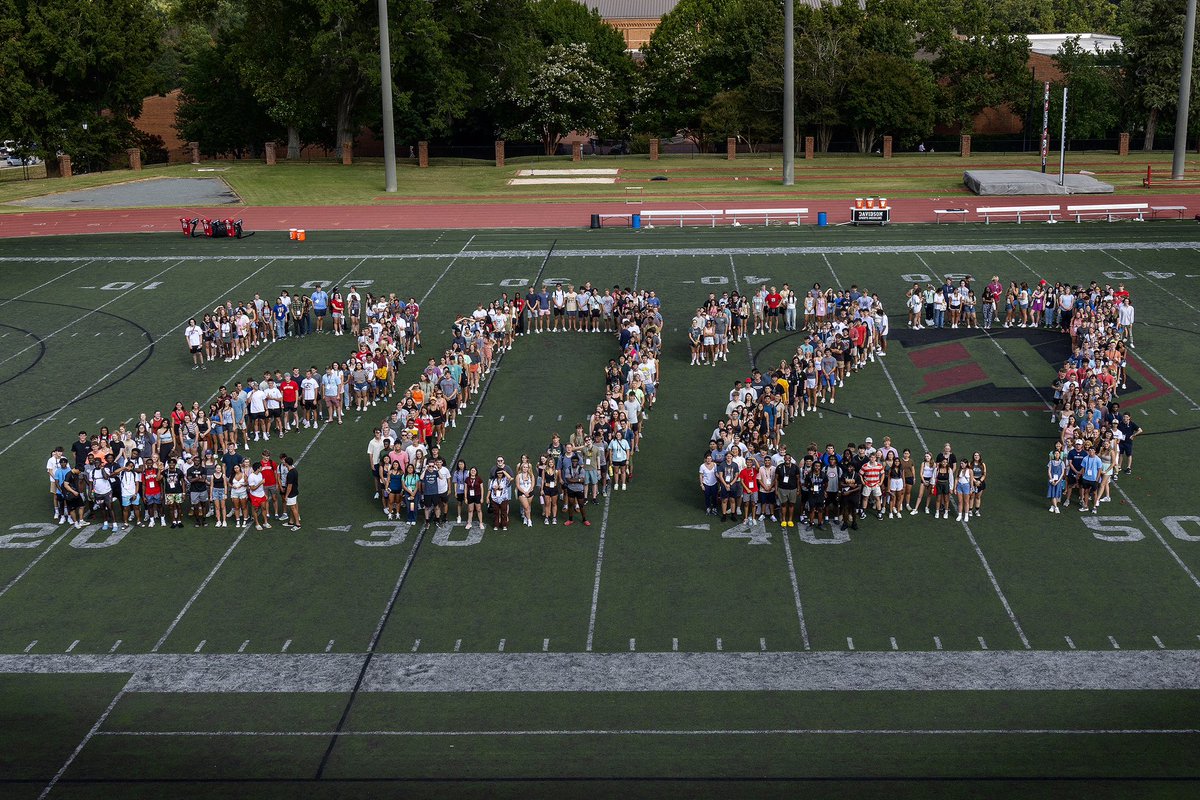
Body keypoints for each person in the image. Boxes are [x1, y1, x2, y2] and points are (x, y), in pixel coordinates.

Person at [247, 461, 270, 530]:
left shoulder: (260, 474)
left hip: (261, 494)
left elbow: (261, 486)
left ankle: (265, 522)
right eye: (261, 467)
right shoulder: (251, 477)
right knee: (255, 509)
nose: (262, 468)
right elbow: (252, 488)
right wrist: (260, 483)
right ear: (258, 468)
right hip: (254, 495)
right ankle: (257, 524)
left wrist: (264, 494)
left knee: (264, 508)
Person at [282, 455, 300, 529]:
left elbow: (289, 486)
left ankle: (297, 524)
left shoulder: (290, 474)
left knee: (293, 508)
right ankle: (291, 522)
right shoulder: (294, 470)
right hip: (295, 491)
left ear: (286, 463)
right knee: (294, 506)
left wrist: (286, 495)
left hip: (291, 493)